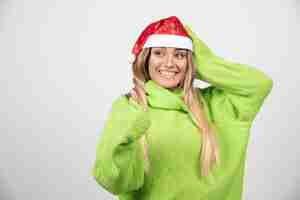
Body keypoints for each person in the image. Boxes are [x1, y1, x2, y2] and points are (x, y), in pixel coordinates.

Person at [90, 16, 273, 200]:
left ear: (191, 61)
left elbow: (259, 84)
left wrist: (205, 63)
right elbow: (113, 180)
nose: (169, 63)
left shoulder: (214, 105)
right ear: (146, 59)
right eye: (159, 53)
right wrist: (128, 132)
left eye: (179, 54)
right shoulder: (130, 107)